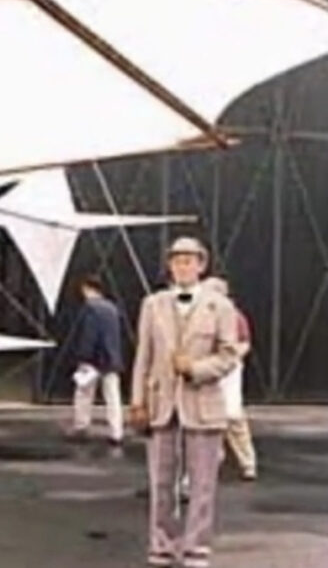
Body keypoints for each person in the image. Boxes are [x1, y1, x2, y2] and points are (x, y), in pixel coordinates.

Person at [129, 237, 241, 568]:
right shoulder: (152, 304)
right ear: (170, 266)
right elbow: (142, 357)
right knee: (160, 480)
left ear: (202, 265)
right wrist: (137, 402)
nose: (183, 266)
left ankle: (196, 548)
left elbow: (229, 355)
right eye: (177, 261)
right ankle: (161, 545)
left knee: (203, 482)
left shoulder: (220, 306)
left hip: (203, 405)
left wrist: (195, 368)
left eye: (189, 261)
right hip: (161, 404)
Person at [204, 276, 258, 481]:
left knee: (233, 416)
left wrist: (232, 357)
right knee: (210, 417)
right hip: (208, 370)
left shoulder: (235, 317)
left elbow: (244, 343)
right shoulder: (202, 315)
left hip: (229, 371)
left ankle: (247, 463)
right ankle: (213, 459)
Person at [69, 274, 124, 445]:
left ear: (86, 288)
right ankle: (116, 432)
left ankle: (81, 426)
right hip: (112, 358)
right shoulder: (112, 308)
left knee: (84, 394)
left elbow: (89, 335)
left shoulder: (90, 308)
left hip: (93, 359)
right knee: (113, 397)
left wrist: (83, 356)